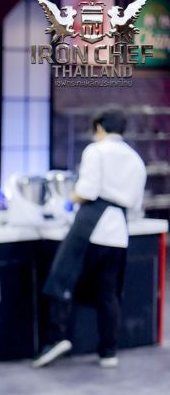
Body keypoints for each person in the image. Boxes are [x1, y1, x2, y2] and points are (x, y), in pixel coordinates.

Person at [33, 106, 146, 369]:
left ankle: (56, 338)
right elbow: (135, 203)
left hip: (91, 225)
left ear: (100, 127)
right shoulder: (136, 159)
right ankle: (108, 351)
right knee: (109, 294)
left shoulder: (96, 151)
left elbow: (87, 191)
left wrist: (66, 199)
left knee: (62, 279)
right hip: (118, 232)